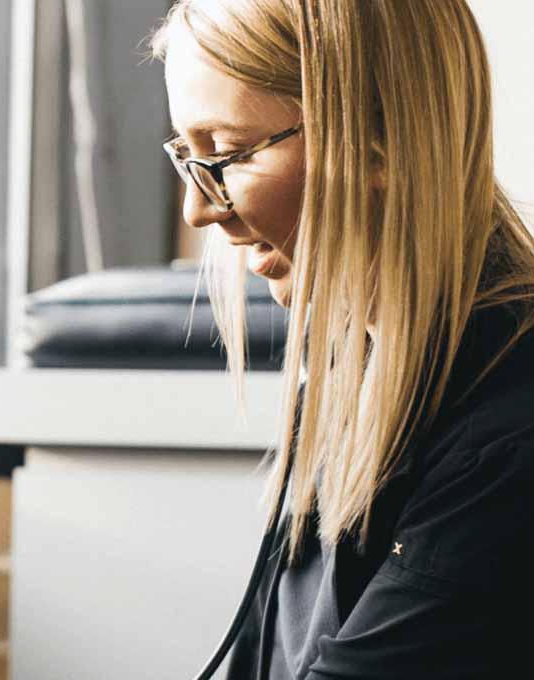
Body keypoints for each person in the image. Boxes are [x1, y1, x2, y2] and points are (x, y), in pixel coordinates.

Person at [151, 0, 534, 677]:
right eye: (189, 155)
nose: (200, 208)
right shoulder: (351, 380)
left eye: (227, 153)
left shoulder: (507, 450)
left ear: (378, 140)